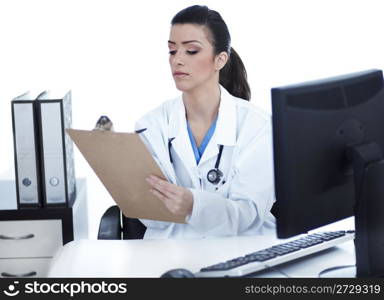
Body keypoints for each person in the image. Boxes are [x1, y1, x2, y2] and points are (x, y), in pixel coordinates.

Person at [135, 5, 275, 239]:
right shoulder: (151, 125)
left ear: (220, 60)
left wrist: (194, 205)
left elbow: (248, 214)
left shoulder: (257, 126)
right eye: (172, 51)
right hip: (171, 254)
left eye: (191, 51)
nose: (177, 60)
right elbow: (150, 217)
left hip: (241, 249)